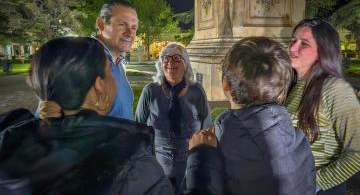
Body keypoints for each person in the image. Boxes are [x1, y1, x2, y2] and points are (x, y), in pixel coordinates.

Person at [0, 37, 223, 195]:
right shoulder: (135, 166)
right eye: (110, 72)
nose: (116, 80)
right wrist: (202, 159)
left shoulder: (9, 141)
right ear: (99, 87)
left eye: (176, 59)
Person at [215, 36, 316, 195]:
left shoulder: (227, 141)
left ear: (226, 83)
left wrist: (199, 154)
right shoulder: (298, 138)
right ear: (281, 89)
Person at [285, 18, 360, 195]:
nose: (293, 48)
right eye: (293, 41)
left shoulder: (335, 89)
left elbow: (357, 152)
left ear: (323, 51)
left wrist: (315, 184)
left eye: (304, 44)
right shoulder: (297, 84)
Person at [34, 0, 136, 120]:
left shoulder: (118, 63)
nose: (130, 33)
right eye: (122, 24)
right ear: (101, 24)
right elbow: (48, 114)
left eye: (134, 27)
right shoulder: (77, 57)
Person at [135, 42, 212, 195]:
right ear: (161, 64)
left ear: (186, 64)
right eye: (166, 58)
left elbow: (206, 127)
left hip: (190, 164)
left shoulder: (197, 92)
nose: (170, 63)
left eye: (176, 58)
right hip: (158, 166)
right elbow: (139, 129)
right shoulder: (150, 91)